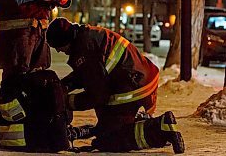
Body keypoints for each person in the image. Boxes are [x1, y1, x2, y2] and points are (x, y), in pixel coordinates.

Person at [45, 17, 185, 153]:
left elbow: (98, 96)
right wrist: (64, 85)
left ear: (65, 40)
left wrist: (67, 102)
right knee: (106, 126)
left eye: (58, 47)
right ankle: (140, 121)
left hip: (133, 88)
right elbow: (88, 74)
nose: (58, 51)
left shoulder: (85, 49)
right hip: (140, 78)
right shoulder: (86, 36)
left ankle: (160, 129)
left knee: (109, 139)